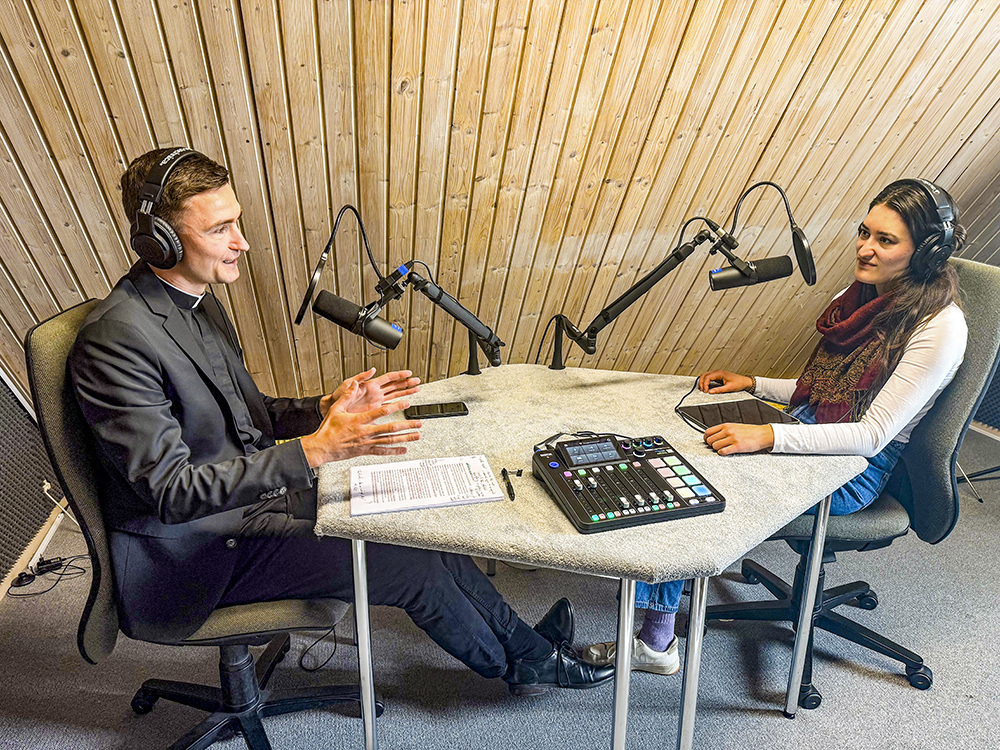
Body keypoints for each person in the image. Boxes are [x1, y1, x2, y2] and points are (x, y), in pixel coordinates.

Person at [69, 147, 613, 695]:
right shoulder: (117, 340)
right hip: (196, 553)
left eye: (237, 221)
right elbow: (171, 492)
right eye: (220, 229)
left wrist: (325, 409)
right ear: (158, 239)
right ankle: (523, 665)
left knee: (420, 523)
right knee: (407, 567)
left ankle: (525, 645)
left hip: (255, 503)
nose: (242, 242)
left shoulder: (196, 297)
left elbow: (242, 413)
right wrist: (316, 450)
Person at [582, 178, 968, 675]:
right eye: (864, 232)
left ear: (927, 253)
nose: (864, 248)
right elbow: (819, 391)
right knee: (678, 447)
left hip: (856, 468)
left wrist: (767, 435)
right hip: (809, 429)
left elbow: (871, 434)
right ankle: (664, 585)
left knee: (695, 488)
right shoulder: (861, 297)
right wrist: (754, 384)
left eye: (885, 240)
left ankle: (656, 644)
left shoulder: (940, 327)